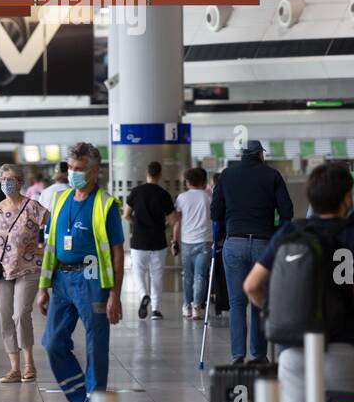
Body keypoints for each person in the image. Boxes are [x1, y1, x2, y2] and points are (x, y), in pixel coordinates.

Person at [242, 162, 354, 402]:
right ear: (348, 197)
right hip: (341, 351)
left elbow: (251, 286)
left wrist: (273, 313)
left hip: (293, 351)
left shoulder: (289, 233)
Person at [36, 143, 125, 402]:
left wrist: (114, 293)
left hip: (92, 280)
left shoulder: (105, 204)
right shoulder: (60, 200)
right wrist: (44, 286)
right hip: (62, 279)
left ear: (95, 169)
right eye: (71, 168)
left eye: (79, 168)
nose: (73, 173)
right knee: (52, 341)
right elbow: (50, 245)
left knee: (95, 345)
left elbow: (116, 252)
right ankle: (81, 396)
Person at [210, 140, 295, 363]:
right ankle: (259, 355)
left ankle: (238, 355)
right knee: (259, 300)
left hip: (234, 242)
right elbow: (287, 212)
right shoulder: (272, 176)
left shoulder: (226, 175)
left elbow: (215, 213)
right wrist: (278, 236)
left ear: (242, 156)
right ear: (260, 155)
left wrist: (217, 237)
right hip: (263, 244)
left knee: (237, 303)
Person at [0, 164, 48, 384]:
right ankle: (14, 368)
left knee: (20, 314)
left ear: (21, 182)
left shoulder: (33, 207)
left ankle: (29, 363)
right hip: (1, 270)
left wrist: (43, 249)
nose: (7, 182)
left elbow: (55, 228)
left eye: (12, 178)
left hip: (28, 268)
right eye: (4, 178)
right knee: (5, 317)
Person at [125, 160, 173, 321]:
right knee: (157, 275)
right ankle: (155, 310)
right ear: (159, 175)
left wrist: (136, 222)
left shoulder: (136, 192)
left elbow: (126, 215)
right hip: (158, 241)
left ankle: (143, 295)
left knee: (138, 272)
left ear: (147, 173)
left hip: (139, 240)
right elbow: (173, 219)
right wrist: (163, 226)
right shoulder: (164, 194)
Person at [173, 167, 212, 320]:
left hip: (187, 242)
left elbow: (177, 221)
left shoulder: (182, 198)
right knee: (200, 276)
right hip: (205, 241)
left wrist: (174, 241)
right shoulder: (209, 197)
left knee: (187, 276)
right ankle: (197, 307)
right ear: (203, 181)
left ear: (188, 182)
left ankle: (186, 306)